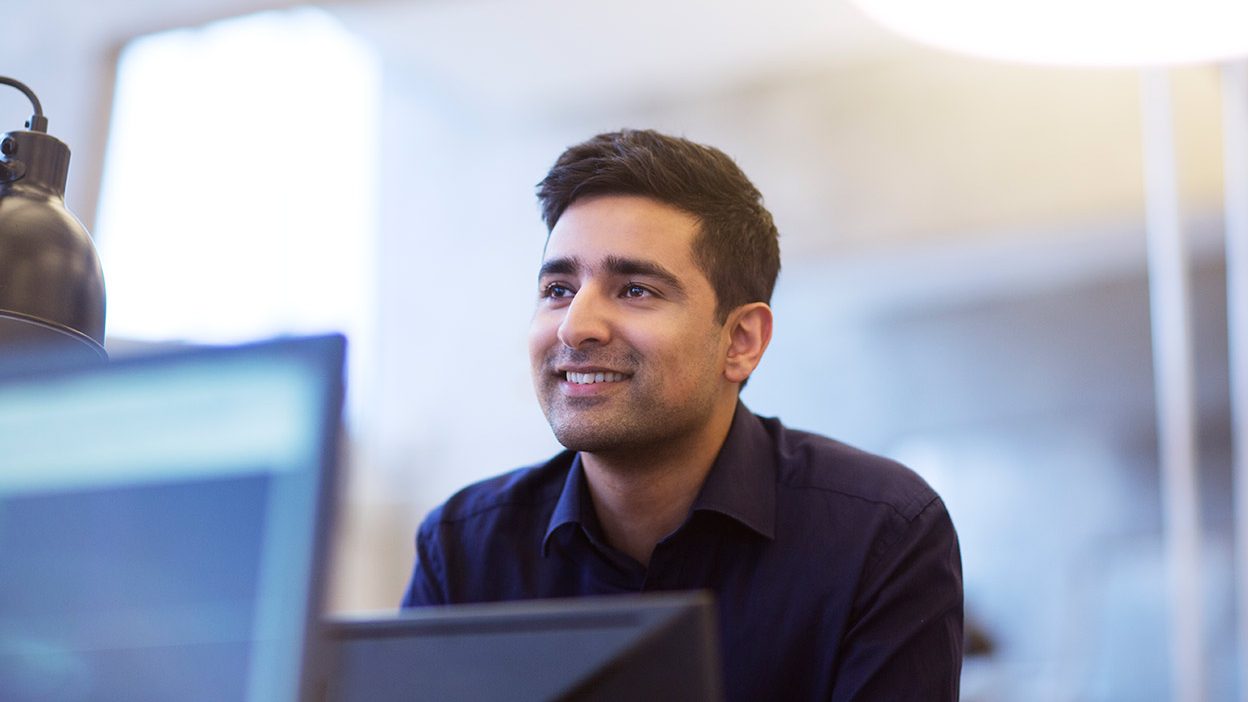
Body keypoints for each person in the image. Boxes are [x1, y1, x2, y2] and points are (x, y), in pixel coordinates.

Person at [402, 129, 963, 700]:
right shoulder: (464, 550)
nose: (576, 325)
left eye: (636, 290)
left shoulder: (880, 534)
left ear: (741, 340)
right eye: (558, 288)